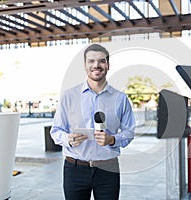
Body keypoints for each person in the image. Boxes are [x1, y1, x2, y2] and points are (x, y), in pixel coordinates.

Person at [50, 44, 136, 200]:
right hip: (75, 169)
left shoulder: (120, 98)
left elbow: (129, 131)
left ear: (108, 65)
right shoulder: (69, 96)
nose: (96, 65)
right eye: (91, 61)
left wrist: (113, 139)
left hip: (108, 170)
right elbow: (56, 131)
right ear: (85, 65)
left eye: (101, 61)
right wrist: (67, 139)